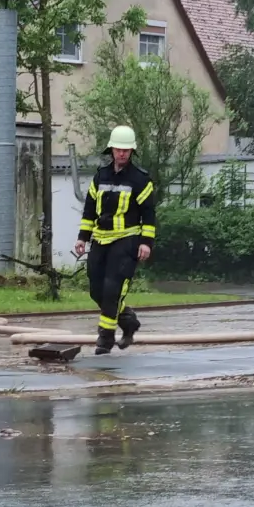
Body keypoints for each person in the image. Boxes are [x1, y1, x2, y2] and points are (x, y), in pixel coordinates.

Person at [74, 126, 157, 354]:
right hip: (100, 241)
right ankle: (128, 321)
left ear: (132, 152)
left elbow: (149, 214)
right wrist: (83, 237)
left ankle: (105, 340)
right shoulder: (101, 175)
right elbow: (90, 209)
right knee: (96, 290)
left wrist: (145, 242)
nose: (122, 154)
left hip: (126, 241)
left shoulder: (140, 180)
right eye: (119, 149)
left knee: (112, 290)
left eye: (126, 150)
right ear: (111, 149)